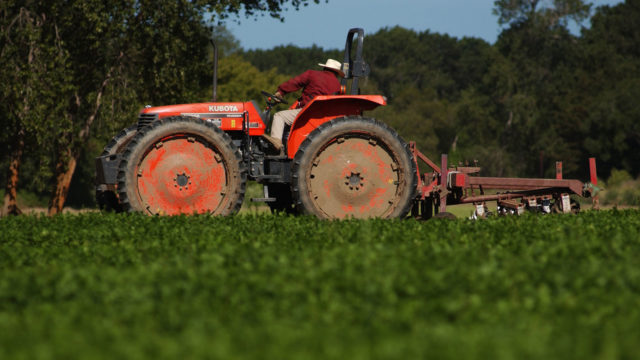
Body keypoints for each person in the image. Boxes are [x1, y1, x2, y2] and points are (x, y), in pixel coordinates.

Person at [262, 58, 345, 151]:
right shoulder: (337, 85)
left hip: (308, 112)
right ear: (337, 73)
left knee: (279, 116)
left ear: (325, 68)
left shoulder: (312, 74)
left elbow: (295, 83)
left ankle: (276, 143)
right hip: (324, 117)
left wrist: (281, 91)